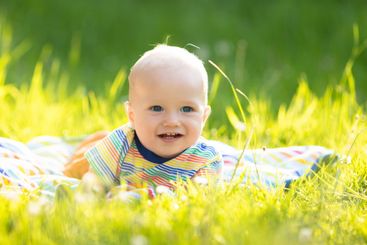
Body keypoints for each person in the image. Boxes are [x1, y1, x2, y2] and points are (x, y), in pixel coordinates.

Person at [64, 44, 223, 194]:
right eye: (157, 108)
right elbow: (93, 185)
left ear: (203, 117)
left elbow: (199, 200)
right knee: (78, 165)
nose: (172, 121)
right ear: (132, 115)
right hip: (108, 156)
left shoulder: (206, 159)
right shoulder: (119, 145)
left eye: (187, 109)